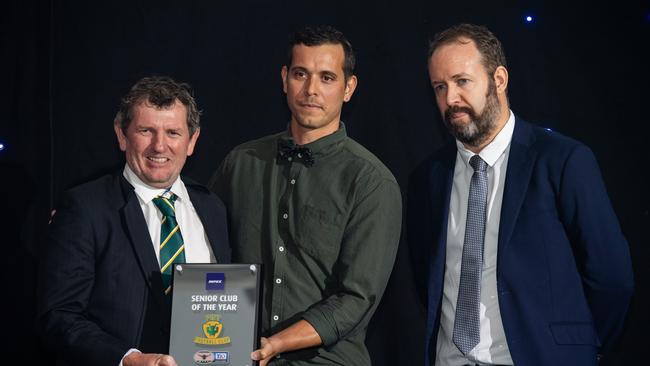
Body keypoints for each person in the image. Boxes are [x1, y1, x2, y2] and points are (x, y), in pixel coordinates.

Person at [407, 23, 634, 365]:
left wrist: (577, 346)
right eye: (439, 87)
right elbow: (427, 278)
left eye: (461, 81)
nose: (450, 98)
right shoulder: (428, 178)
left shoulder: (562, 160)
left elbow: (612, 277)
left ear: (499, 79)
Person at [210, 25, 402, 365]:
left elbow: (356, 297)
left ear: (348, 88)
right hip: (236, 354)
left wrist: (278, 342)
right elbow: (207, 256)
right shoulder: (240, 164)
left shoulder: (371, 182)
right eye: (301, 74)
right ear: (285, 79)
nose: (311, 89)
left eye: (327, 78)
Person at [37, 76, 231, 366]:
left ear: (192, 141)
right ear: (121, 135)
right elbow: (59, 315)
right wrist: (126, 359)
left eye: (173, 133)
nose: (159, 146)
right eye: (146, 130)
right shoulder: (85, 207)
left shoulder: (212, 207)